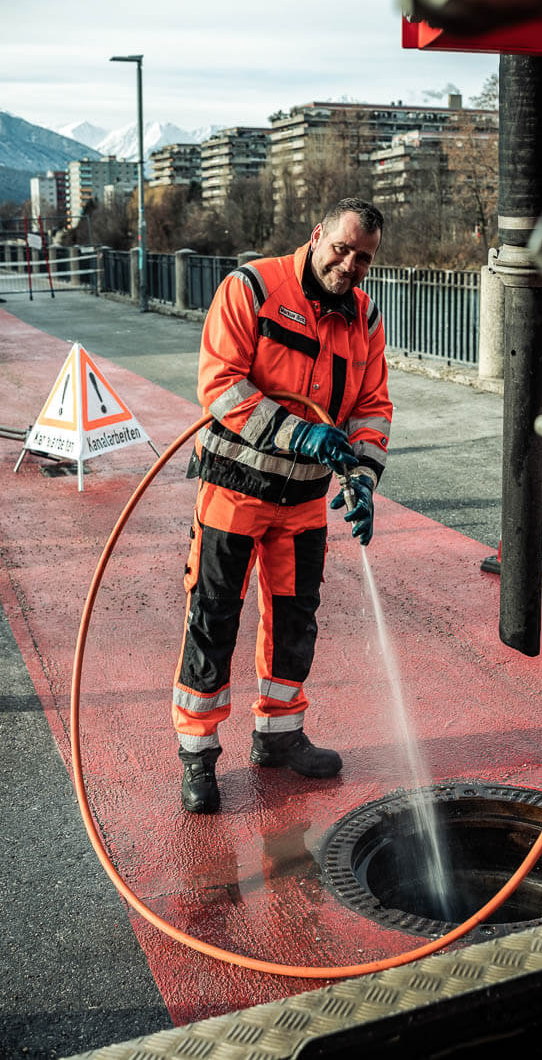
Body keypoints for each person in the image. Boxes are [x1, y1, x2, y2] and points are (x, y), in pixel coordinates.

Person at [172, 198, 392, 813]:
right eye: (343, 248)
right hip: (234, 492)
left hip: (303, 501)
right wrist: (302, 432)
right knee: (214, 619)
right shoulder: (252, 287)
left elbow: (373, 407)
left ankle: (278, 735)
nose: (350, 265)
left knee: (296, 620)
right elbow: (220, 384)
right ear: (317, 234)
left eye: (364, 259)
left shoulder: (366, 321)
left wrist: (365, 479)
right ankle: (198, 751)